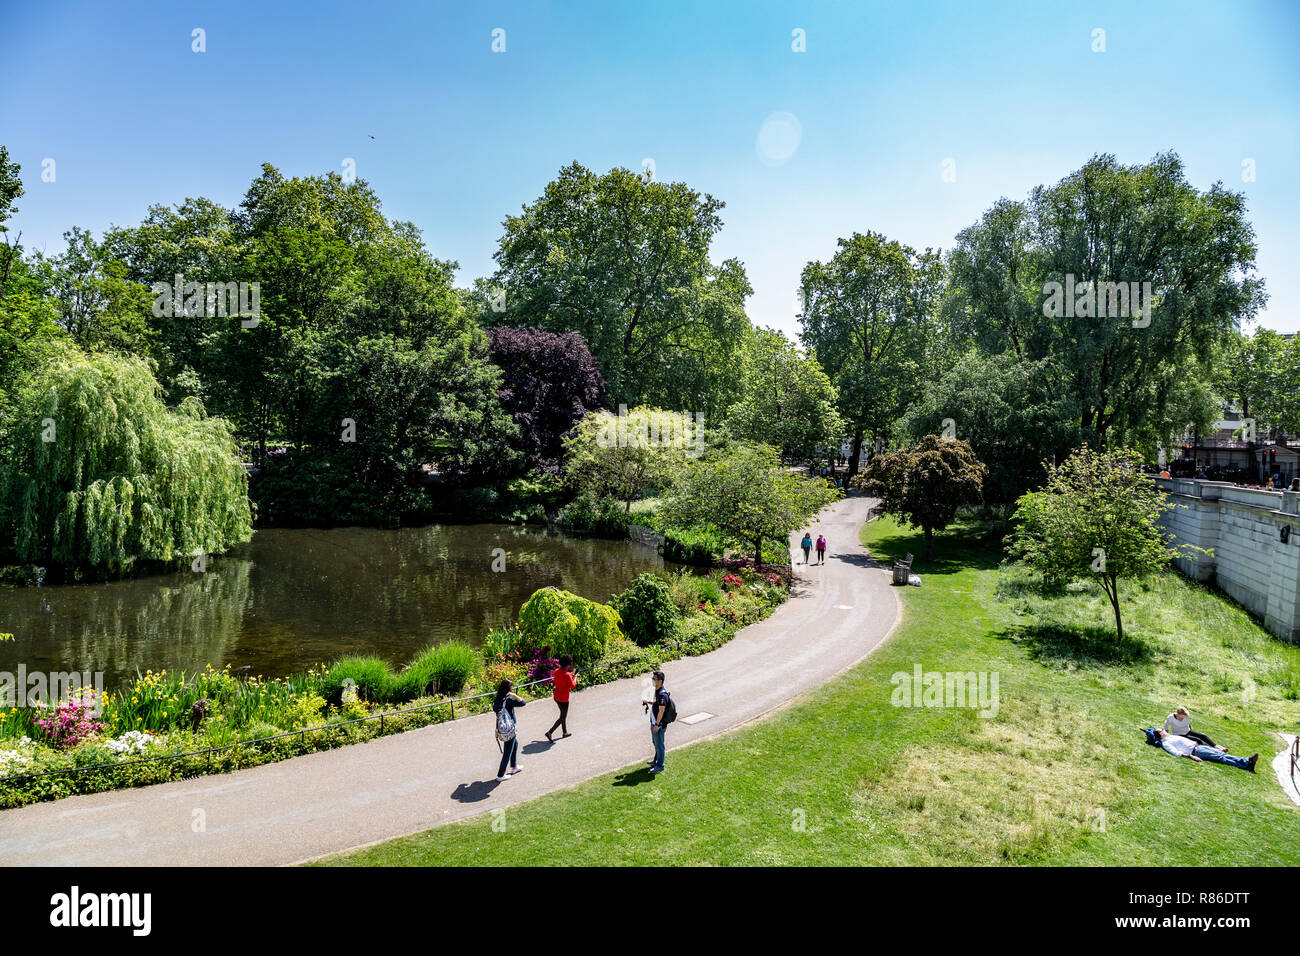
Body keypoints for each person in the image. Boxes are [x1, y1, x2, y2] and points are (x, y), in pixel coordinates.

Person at [1148, 728, 1257, 772]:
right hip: (1196, 751)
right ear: (1160, 734)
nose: (1164, 730)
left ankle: (1246, 762)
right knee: (1220, 757)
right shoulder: (1166, 743)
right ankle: (1246, 763)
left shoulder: (1169, 737)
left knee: (1220, 754)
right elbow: (1175, 752)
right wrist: (1191, 756)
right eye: (1161, 730)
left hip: (1198, 747)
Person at [492, 679, 526, 782]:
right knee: (507, 751)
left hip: (503, 727)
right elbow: (523, 703)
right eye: (511, 687)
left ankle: (514, 766)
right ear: (508, 689)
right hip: (509, 728)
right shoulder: (508, 701)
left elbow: (495, 709)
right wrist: (514, 695)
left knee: (515, 744)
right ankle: (501, 774)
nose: (512, 688)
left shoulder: (498, 699)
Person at [644, 670, 671, 774]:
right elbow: (656, 704)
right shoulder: (657, 691)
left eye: (654, 679)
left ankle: (660, 766)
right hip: (654, 722)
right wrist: (648, 702)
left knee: (660, 745)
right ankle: (656, 761)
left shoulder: (662, 694)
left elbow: (661, 711)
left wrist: (656, 725)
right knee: (656, 743)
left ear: (660, 680)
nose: (652, 680)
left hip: (658, 724)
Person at [546, 654, 577, 742]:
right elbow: (573, 686)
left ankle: (565, 732)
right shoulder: (567, 675)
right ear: (568, 665)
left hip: (556, 696)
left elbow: (562, 678)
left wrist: (571, 676)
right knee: (563, 717)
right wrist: (575, 678)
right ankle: (550, 732)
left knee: (562, 715)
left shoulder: (556, 671)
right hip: (564, 698)